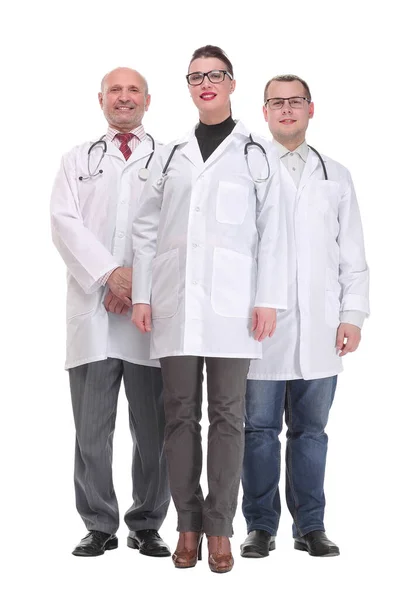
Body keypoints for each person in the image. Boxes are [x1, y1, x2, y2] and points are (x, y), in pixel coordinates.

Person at [131, 45, 287, 573]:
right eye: (196, 76)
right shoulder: (170, 153)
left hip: (234, 309)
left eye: (215, 74)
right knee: (178, 416)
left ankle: (220, 528)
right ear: (189, 85)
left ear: (231, 82)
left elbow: (274, 235)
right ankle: (188, 524)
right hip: (176, 306)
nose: (206, 83)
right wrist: (145, 294)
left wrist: (267, 298)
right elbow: (147, 230)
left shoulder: (256, 153)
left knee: (227, 416)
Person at [241, 74, 370, 559]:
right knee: (257, 431)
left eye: (296, 102)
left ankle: (310, 525)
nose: (287, 110)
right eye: (277, 103)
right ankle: (259, 525)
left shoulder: (335, 174)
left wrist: (352, 314)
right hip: (260, 329)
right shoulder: (247, 169)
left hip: (321, 327)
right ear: (265, 111)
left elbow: (352, 252)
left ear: (311, 110)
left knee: (311, 433)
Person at [51, 67, 170, 558]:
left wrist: (135, 284)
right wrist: (109, 276)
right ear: (101, 99)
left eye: (133, 90)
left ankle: (147, 522)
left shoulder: (171, 160)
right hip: (94, 314)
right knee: (92, 432)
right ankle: (99, 523)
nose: (124, 98)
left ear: (149, 99)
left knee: (156, 430)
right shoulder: (77, 159)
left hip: (148, 314)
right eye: (115, 90)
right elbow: (63, 224)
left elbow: (176, 230)